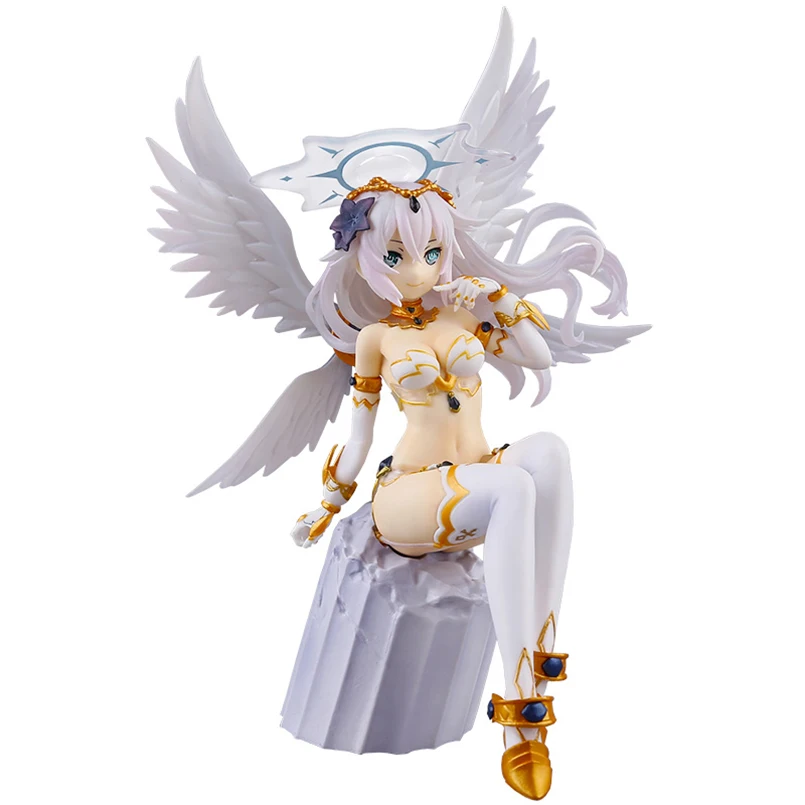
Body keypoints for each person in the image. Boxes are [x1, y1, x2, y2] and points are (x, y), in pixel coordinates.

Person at [148, 10, 649, 800]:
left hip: (476, 472)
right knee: (512, 488)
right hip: (408, 500)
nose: (418, 269)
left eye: (431, 251)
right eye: (395, 255)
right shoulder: (377, 338)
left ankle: (541, 668)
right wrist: (327, 504)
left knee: (547, 452)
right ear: (362, 258)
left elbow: (539, 356)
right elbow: (357, 432)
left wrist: (495, 300)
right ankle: (519, 720)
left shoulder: (462, 313)